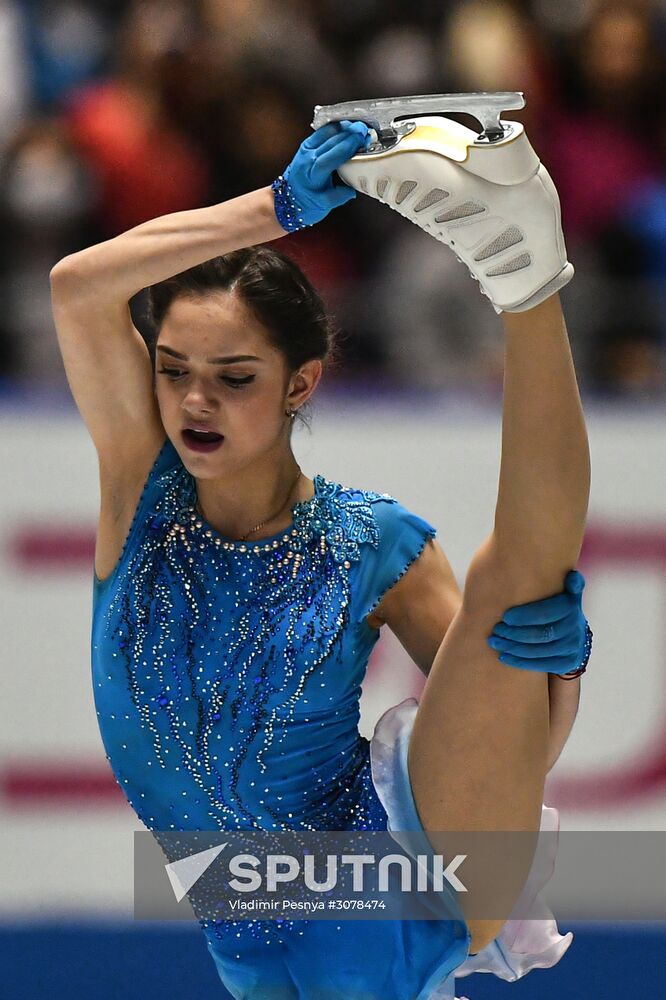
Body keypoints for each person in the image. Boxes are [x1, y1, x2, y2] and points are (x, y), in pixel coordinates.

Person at [50, 116, 591, 999]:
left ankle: (523, 276)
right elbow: (77, 287)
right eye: (174, 370)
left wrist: (558, 673)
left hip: (391, 890)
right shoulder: (141, 493)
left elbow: (507, 753)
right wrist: (274, 208)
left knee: (516, 588)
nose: (194, 401)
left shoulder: (373, 543)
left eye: (234, 377)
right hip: (248, 934)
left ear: (300, 383)